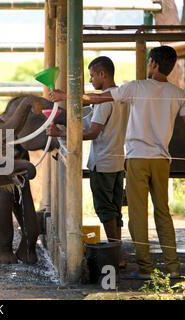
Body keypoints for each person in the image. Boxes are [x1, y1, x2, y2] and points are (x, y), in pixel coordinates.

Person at [49, 46, 185, 279]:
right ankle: (173, 268)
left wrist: (64, 97)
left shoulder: (136, 87)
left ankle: (145, 268)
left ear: (152, 64)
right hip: (162, 160)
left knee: (138, 214)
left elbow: (97, 98)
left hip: (136, 159)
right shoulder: (178, 94)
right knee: (163, 212)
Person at [47, 56, 129, 268]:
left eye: (92, 75)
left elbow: (93, 131)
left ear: (103, 74)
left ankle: (115, 256)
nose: (91, 79)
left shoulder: (104, 100)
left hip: (102, 162)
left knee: (105, 211)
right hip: (119, 161)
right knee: (115, 209)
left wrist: (62, 134)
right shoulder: (121, 97)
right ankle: (117, 253)